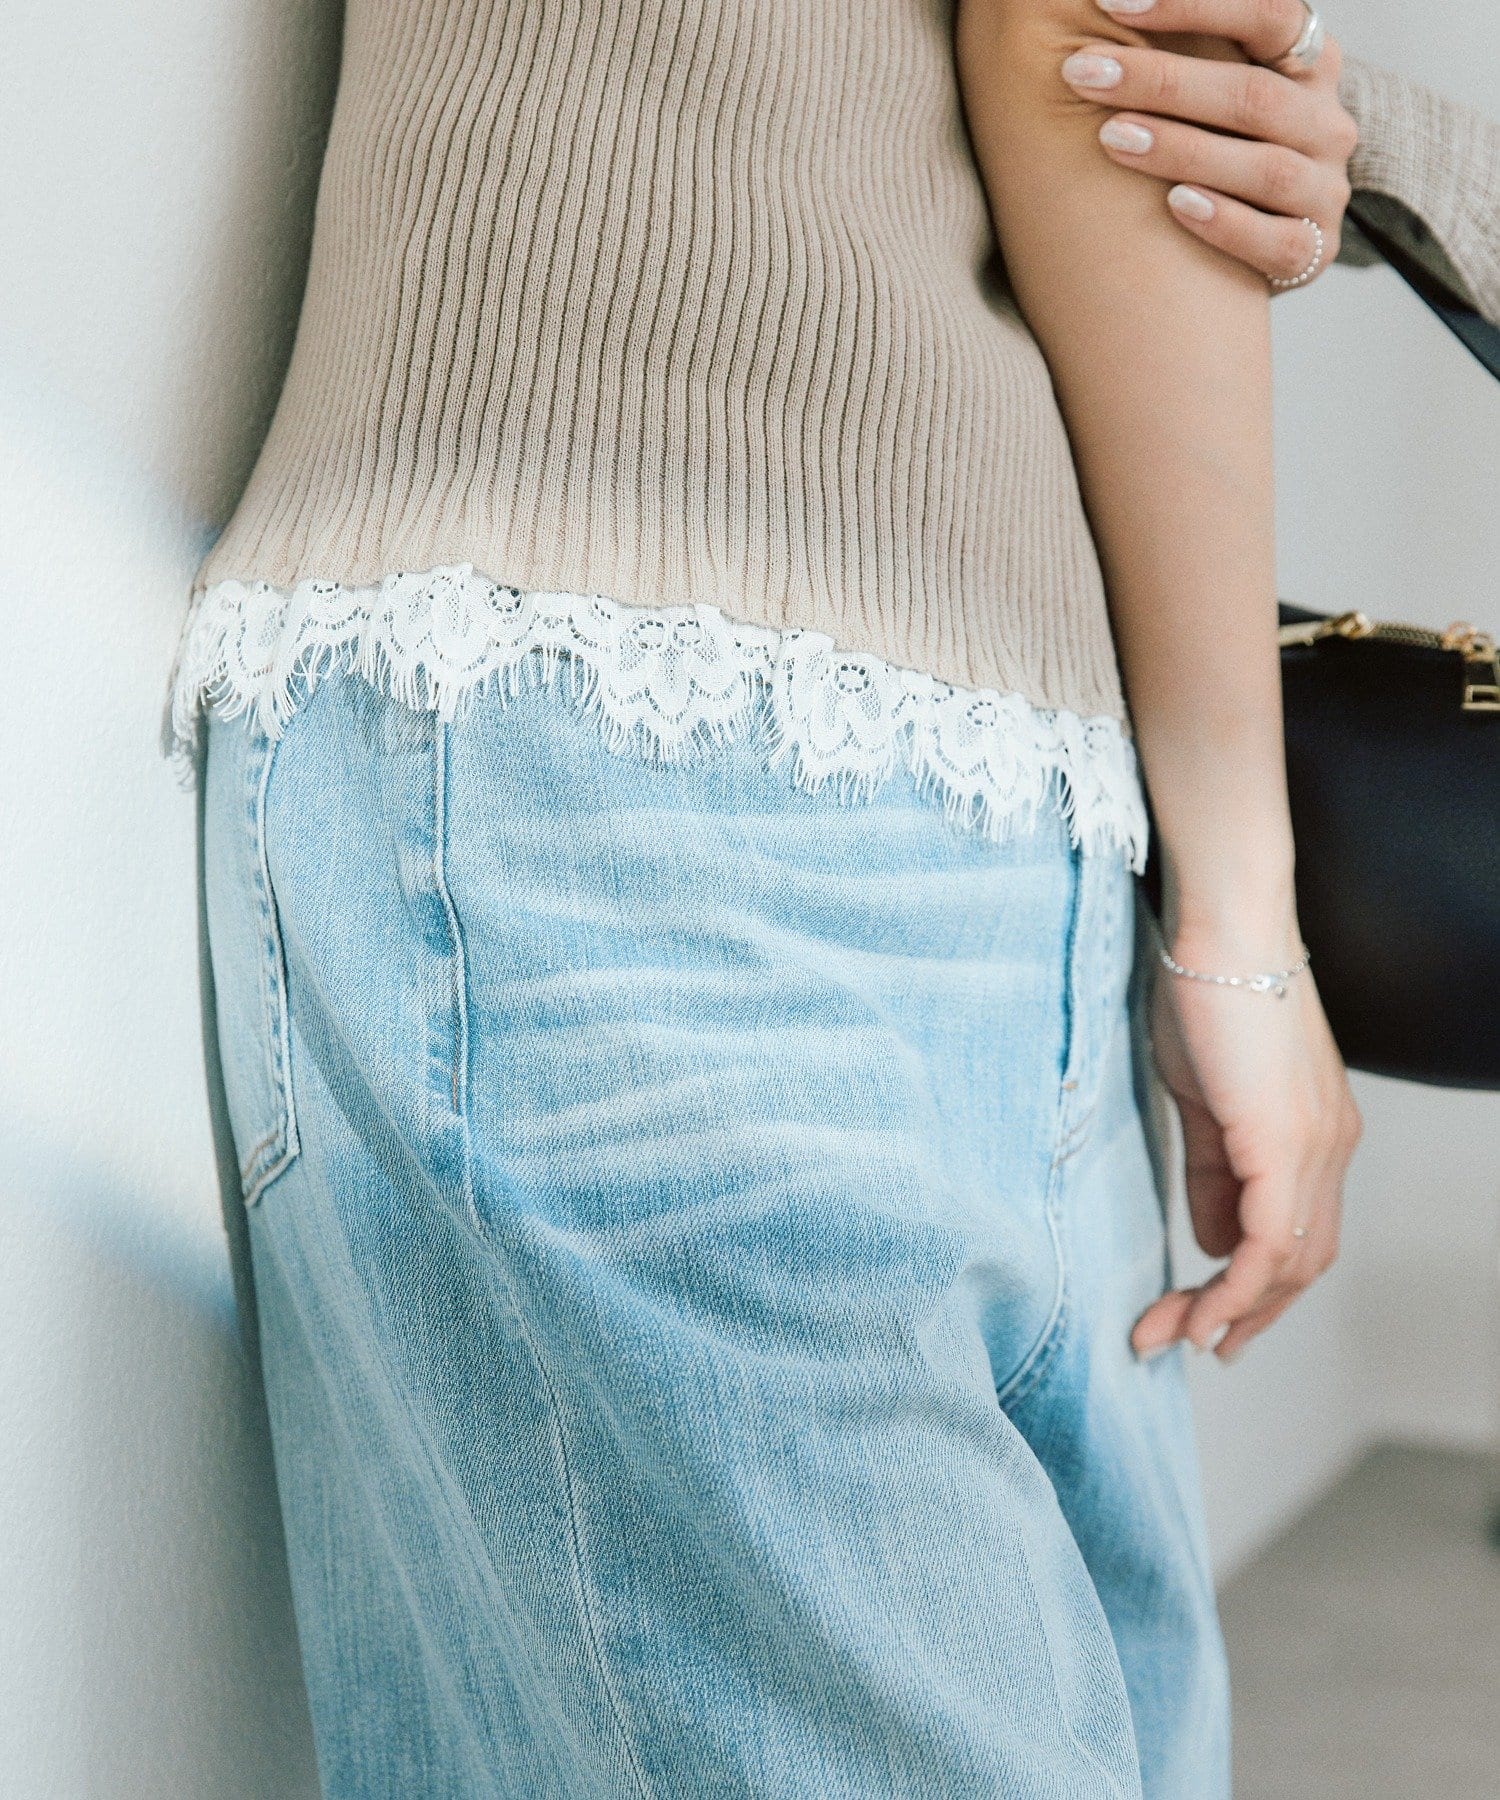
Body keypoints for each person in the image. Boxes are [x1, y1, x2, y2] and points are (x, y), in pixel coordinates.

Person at [167, 1, 1500, 1793]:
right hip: (657, 750)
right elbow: (1112, 55)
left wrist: (1329, 123)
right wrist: (1245, 931)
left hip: (927, 794)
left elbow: (1143, 66)